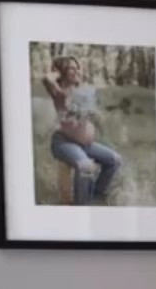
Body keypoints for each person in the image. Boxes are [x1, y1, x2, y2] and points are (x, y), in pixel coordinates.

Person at [43, 54, 121, 204]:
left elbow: (93, 117)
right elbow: (47, 79)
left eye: (77, 68)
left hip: (85, 145)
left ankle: (95, 196)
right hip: (64, 142)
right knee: (86, 166)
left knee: (115, 160)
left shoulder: (85, 93)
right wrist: (58, 71)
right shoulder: (60, 93)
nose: (77, 71)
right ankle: (82, 207)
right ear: (63, 72)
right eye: (71, 68)